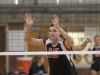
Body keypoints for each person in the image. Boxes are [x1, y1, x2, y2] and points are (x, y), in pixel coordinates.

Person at [24, 13, 91, 75]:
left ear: (60, 33)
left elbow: (73, 42)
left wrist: (58, 27)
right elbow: (28, 40)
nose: (52, 33)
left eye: (54, 31)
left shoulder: (63, 43)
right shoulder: (47, 42)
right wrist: (29, 27)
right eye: (50, 31)